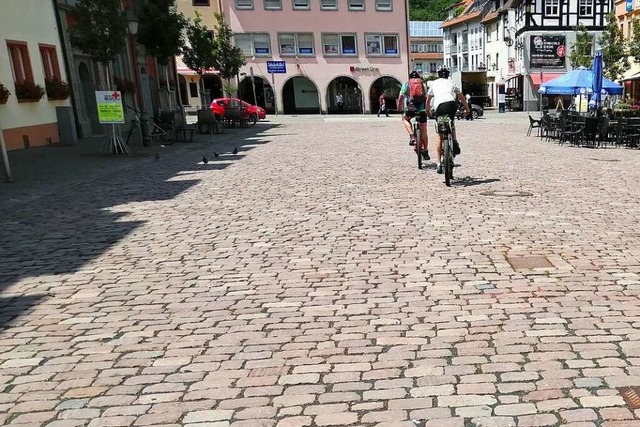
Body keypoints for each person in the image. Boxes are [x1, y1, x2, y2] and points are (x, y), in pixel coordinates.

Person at [426, 65, 470, 174]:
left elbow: (428, 99)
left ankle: (438, 163)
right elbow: (461, 96)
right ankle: (454, 140)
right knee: (451, 122)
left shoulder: (433, 83)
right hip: (451, 104)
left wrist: (427, 111)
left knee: (440, 134)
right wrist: (467, 108)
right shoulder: (451, 82)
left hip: (439, 107)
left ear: (438, 74)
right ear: (448, 74)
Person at [397, 70, 429, 161]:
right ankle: (425, 151)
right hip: (422, 109)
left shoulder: (406, 84)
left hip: (411, 108)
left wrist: (399, 108)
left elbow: (401, 98)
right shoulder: (423, 84)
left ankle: (411, 136)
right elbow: (426, 98)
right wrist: (427, 109)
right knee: (424, 132)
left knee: (405, 119)